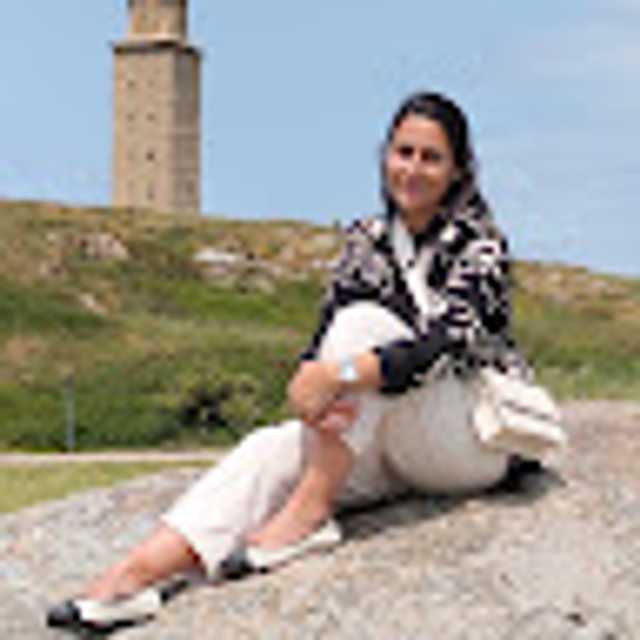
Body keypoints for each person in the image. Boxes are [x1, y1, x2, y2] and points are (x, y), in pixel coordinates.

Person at [47, 90, 532, 632]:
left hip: (465, 440)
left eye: (431, 158)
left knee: (363, 327)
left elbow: (440, 347)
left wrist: (340, 375)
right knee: (270, 448)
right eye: (403, 152)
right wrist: (310, 391)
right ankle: (134, 579)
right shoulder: (367, 240)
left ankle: (309, 513)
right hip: (394, 438)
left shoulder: (479, 243)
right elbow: (323, 340)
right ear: (385, 155)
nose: (412, 169)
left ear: (458, 170)